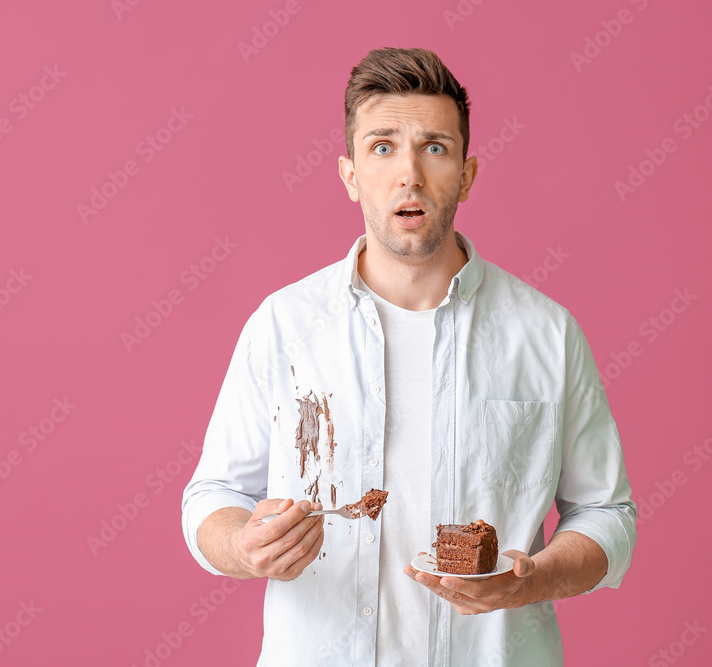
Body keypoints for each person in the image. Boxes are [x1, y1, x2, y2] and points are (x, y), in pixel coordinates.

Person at [181, 46, 637, 666]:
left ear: (468, 175)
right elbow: (213, 493)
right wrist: (244, 546)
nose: (410, 176)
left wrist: (532, 580)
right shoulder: (283, 325)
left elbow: (607, 514)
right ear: (349, 175)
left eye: (435, 148)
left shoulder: (547, 334)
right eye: (382, 146)